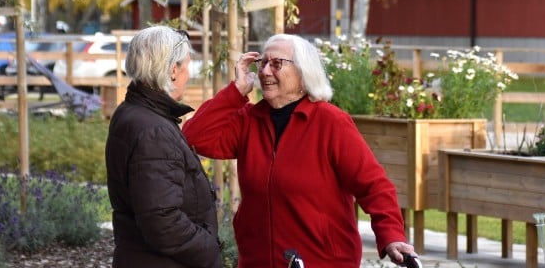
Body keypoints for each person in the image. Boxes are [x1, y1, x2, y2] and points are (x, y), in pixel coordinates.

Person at [183, 33, 416, 268]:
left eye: (276, 64)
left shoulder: (330, 122)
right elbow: (194, 137)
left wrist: (392, 236)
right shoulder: (249, 121)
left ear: (304, 73)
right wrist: (235, 91)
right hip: (258, 262)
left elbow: (373, 186)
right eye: (262, 63)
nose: (264, 72)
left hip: (323, 262)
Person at [105, 26, 223, 268]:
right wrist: (209, 250)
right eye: (187, 65)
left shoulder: (134, 112)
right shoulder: (153, 130)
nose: (189, 74)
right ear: (172, 70)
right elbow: (162, 222)